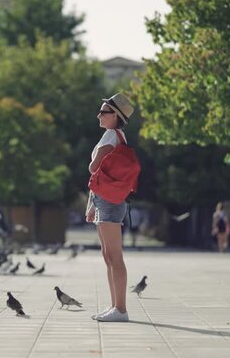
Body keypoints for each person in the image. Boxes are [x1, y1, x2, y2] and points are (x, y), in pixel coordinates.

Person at [86, 93, 134, 322]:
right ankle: (115, 306)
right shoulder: (116, 136)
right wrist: (91, 204)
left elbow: (94, 168)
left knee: (114, 255)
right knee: (108, 255)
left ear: (115, 115)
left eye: (103, 112)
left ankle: (121, 309)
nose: (99, 115)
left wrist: (94, 160)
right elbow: (100, 176)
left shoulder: (110, 136)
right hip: (104, 199)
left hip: (109, 202)